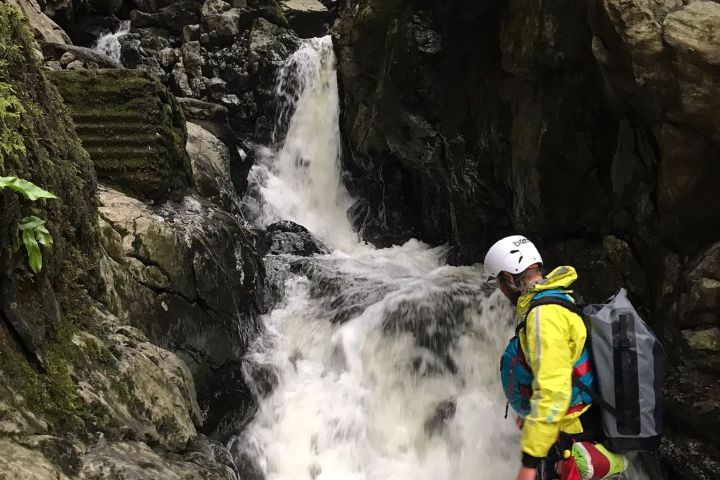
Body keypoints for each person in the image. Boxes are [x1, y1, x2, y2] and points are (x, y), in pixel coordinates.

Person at [484, 235, 601, 480]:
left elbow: (553, 391)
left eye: (498, 282)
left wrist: (529, 461)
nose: (501, 291)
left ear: (508, 277)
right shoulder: (555, 298)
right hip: (567, 428)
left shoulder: (544, 316)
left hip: (571, 435)